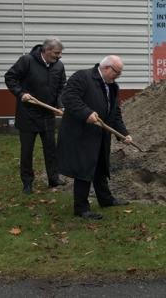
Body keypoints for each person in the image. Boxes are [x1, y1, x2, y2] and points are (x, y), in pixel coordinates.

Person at [58, 55, 132, 220]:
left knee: (100, 167)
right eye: (117, 73)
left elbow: (114, 113)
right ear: (107, 68)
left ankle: (105, 199)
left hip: (100, 135)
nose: (118, 77)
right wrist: (86, 113)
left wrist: (123, 133)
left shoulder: (112, 86)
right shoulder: (82, 77)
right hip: (82, 134)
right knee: (84, 170)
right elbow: (69, 98)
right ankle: (81, 208)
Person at [4, 37, 67, 194]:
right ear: (46, 51)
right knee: (27, 151)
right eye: (56, 53)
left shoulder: (58, 66)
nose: (59, 57)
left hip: (47, 116)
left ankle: (53, 179)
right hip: (27, 115)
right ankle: (27, 183)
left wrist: (59, 104)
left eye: (60, 54)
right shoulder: (27, 61)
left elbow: (62, 86)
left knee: (51, 149)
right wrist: (20, 93)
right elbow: (10, 77)